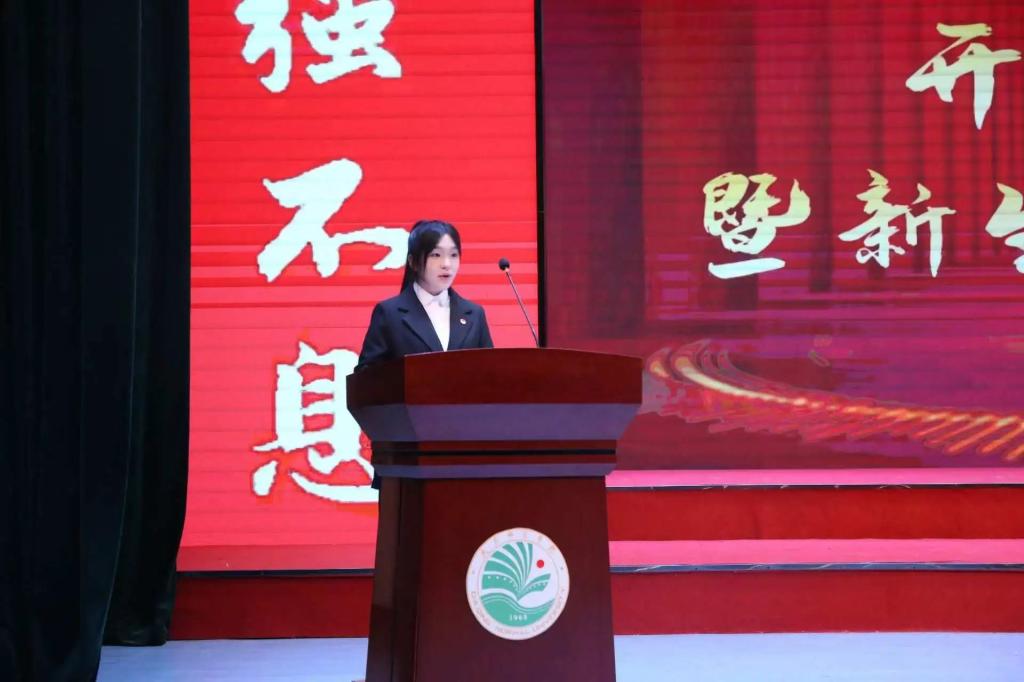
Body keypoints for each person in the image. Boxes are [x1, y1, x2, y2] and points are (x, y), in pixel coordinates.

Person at [356, 219, 494, 371]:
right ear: (413, 262)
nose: (446, 264)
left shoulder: (474, 314)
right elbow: (366, 375)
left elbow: (490, 372)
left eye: (453, 255)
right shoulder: (389, 313)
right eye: (436, 255)